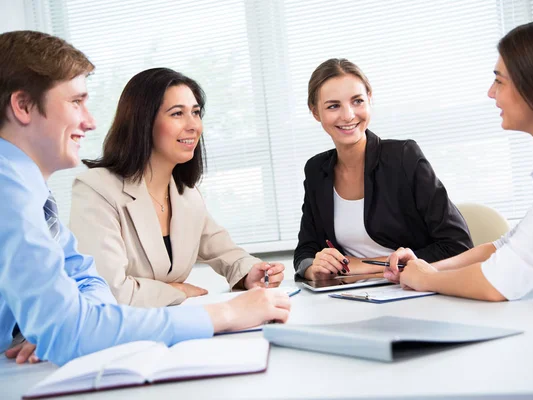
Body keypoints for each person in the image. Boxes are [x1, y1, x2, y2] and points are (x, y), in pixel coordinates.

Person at [0, 30, 290, 366]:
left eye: (196, 112)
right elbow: (75, 325)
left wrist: (249, 273)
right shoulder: (13, 191)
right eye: (76, 102)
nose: (90, 121)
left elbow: (84, 279)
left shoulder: (29, 189)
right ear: (22, 106)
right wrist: (222, 314)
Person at [384, 15, 533, 398]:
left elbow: (501, 280)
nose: (490, 93)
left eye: (499, 81)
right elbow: (503, 247)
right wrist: (427, 266)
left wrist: (427, 279)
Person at [69, 68, 285, 307]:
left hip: (174, 329)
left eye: (195, 112)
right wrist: (177, 291)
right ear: (143, 122)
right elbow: (108, 291)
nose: (194, 125)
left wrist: (251, 272)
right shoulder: (96, 190)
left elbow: (224, 251)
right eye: (177, 114)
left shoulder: (186, 195)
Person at [294, 58, 473, 281]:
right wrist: (315, 268)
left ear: (370, 99)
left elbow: (459, 245)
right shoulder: (316, 170)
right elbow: (305, 251)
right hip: (350, 294)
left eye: (357, 101)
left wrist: (366, 266)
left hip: (416, 290)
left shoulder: (403, 157)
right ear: (315, 112)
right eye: (333, 106)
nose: (348, 115)